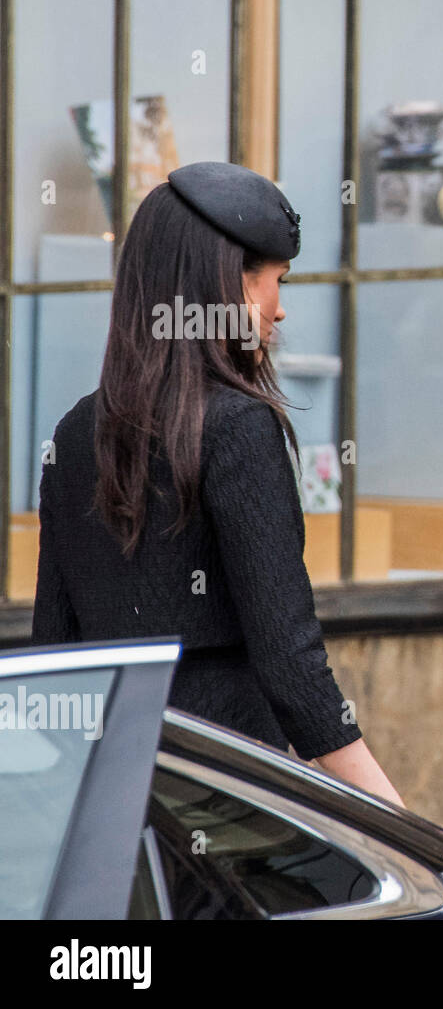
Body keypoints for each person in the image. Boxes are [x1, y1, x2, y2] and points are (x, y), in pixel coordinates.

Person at [31, 161, 403, 807]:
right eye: (274, 283)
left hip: (113, 806)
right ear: (227, 285)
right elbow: (293, 668)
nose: (280, 310)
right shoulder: (238, 428)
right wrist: (410, 834)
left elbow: (55, 657)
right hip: (230, 797)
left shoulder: (72, 433)